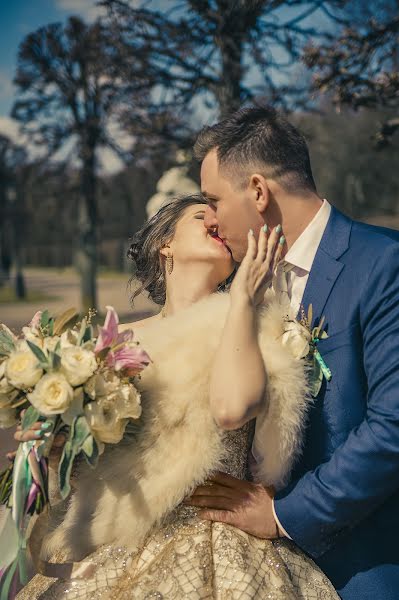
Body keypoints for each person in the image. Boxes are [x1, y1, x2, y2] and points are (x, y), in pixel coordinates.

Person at [14, 195, 339, 599]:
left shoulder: (259, 324)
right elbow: (95, 466)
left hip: (223, 540)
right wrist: (56, 450)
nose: (217, 221)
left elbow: (238, 413)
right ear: (164, 243)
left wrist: (242, 298)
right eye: (203, 215)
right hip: (120, 537)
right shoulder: (112, 346)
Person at [185, 106, 399, 600]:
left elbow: (392, 427)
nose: (211, 220)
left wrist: (285, 515)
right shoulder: (240, 289)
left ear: (258, 191)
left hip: (365, 569)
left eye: (214, 200)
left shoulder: (383, 265)